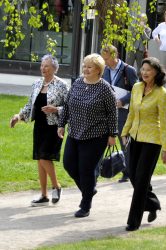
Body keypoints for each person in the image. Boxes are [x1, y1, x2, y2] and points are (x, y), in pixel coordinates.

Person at [57, 53, 118, 218]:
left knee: (86, 170)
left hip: (95, 135)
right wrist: (61, 124)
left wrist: (113, 134)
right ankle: (89, 189)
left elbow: (113, 113)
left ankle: (85, 205)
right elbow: (67, 105)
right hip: (75, 132)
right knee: (69, 164)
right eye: (84, 66)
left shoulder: (105, 88)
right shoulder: (77, 83)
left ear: (98, 70)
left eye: (89, 66)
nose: (85, 69)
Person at [10, 54, 69, 206]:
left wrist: (55, 109)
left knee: (44, 157)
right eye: (42, 65)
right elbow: (31, 105)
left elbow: (70, 108)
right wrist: (18, 116)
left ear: (54, 68)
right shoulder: (37, 83)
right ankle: (44, 195)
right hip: (40, 126)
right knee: (40, 159)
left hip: (54, 127)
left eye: (47, 66)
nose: (43, 68)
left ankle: (57, 186)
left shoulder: (62, 85)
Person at [121, 57, 166, 231]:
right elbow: (131, 113)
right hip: (135, 137)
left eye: (148, 70)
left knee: (141, 180)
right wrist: (125, 132)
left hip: (152, 141)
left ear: (156, 72)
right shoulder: (136, 88)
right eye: (142, 69)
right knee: (133, 176)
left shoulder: (163, 93)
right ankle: (153, 203)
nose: (144, 72)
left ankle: (134, 221)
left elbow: (164, 122)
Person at [101, 45, 138, 183]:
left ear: (115, 55)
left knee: (124, 142)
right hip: (107, 112)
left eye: (107, 58)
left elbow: (137, 90)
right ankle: (101, 168)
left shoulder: (128, 70)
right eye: (103, 59)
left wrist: (123, 101)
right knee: (103, 140)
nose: (105, 62)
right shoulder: (105, 69)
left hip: (123, 112)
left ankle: (127, 172)